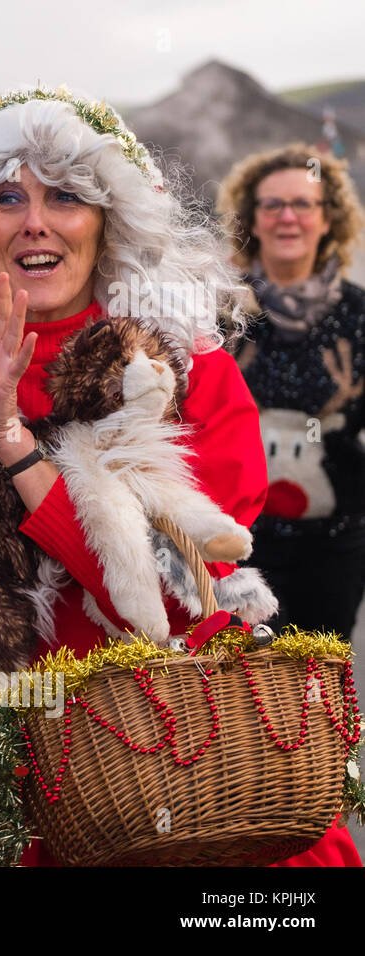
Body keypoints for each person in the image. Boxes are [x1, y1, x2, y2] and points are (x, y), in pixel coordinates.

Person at [0, 89, 361, 866]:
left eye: (65, 197)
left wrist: (9, 439)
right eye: (8, 197)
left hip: (162, 741)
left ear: (110, 221)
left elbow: (167, 590)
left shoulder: (182, 368)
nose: (34, 220)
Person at [217, 144, 365, 641]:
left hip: (334, 548)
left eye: (303, 204)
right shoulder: (215, 309)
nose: (288, 217)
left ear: (328, 219)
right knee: (238, 704)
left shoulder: (359, 315)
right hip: (231, 548)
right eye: (272, 205)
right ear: (251, 220)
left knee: (319, 700)